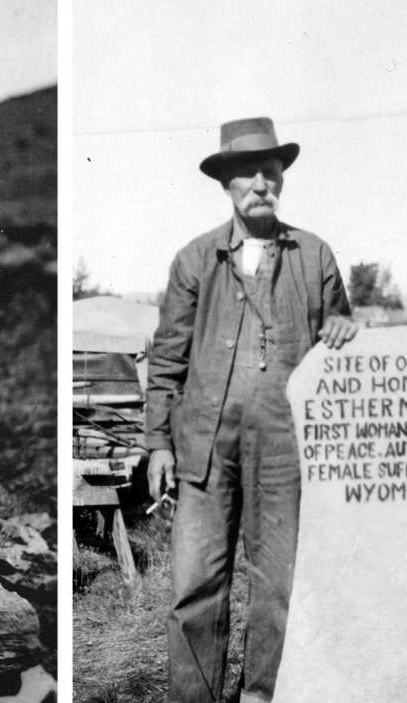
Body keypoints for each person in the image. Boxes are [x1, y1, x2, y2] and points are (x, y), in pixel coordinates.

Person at [144, 117, 358, 703]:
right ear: (226, 184)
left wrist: (344, 327)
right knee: (195, 586)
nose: (261, 183)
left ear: (282, 177)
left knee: (281, 586)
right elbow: (167, 358)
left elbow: (340, 335)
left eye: (271, 170)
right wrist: (158, 443)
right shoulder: (195, 259)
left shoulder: (314, 257)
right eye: (248, 173)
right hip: (205, 449)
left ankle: (265, 694)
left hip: (288, 448)